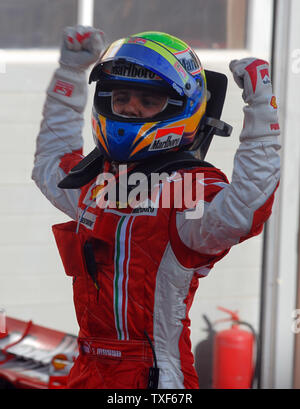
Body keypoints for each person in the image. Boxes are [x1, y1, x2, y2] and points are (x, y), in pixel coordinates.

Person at [32, 25, 280, 389]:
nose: (131, 106)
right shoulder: (96, 180)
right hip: (87, 369)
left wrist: (261, 108)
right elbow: (49, 162)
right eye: (121, 97)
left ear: (182, 108)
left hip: (154, 375)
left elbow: (246, 208)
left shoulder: (189, 191)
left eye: (148, 101)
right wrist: (70, 72)